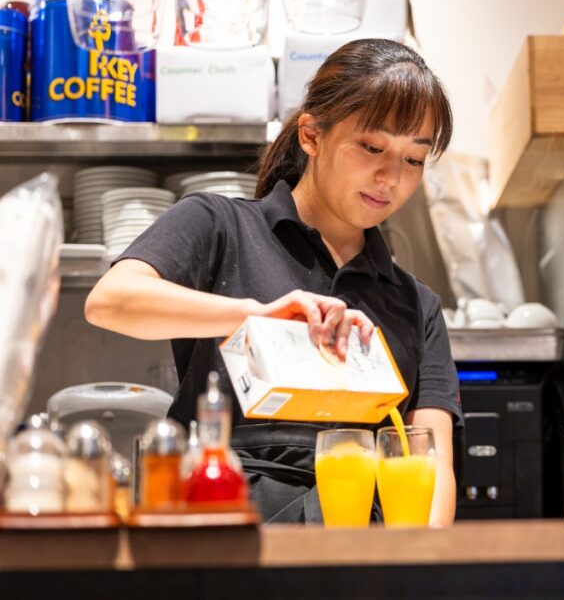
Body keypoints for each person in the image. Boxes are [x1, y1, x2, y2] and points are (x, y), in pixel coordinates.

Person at [84, 38, 461, 525]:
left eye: (413, 159)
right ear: (311, 135)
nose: (391, 177)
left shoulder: (415, 303)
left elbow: (431, 468)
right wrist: (253, 315)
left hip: (358, 557)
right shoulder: (220, 225)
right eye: (372, 146)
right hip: (220, 533)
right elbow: (110, 301)